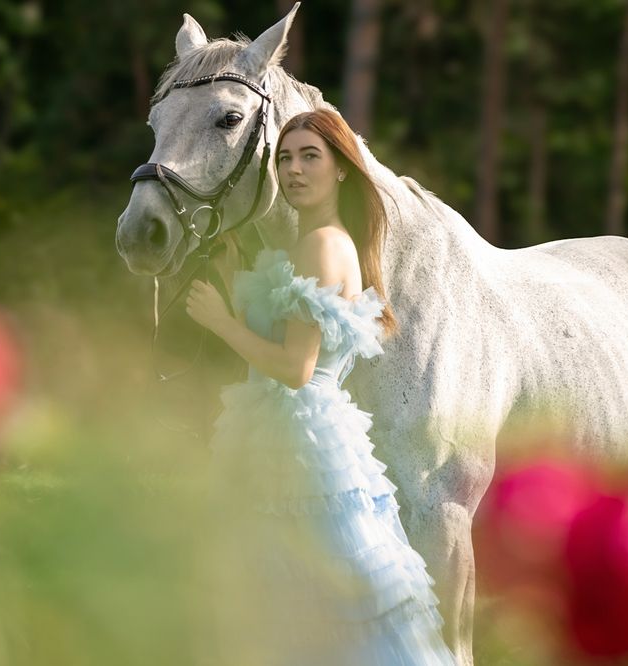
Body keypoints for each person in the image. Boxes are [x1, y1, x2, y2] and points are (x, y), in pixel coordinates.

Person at [186, 108, 455, 665]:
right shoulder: (325, 243)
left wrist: (220, 322)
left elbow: (294, 368)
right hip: (297, 430)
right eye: (285, 158)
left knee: (299, 595)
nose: (294, 170)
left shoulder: (321, 246)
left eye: (311, 156)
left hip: (297, 437)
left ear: (340, 170)